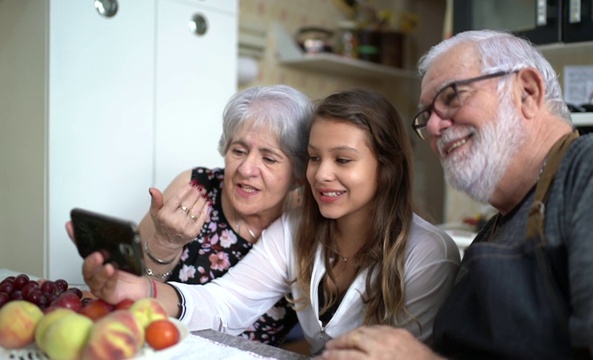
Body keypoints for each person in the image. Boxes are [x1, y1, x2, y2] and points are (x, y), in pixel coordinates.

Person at [319, 29, 593, 360]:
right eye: (427, 115)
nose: (432, 127)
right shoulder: (494, 230)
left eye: (451, 97)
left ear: (527, 93)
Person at [76, 88, 460, 355]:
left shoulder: (428, 254)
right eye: (314, 157)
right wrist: (139, 289)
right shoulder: (296, 228)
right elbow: (225, 303)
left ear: (387, 168)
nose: (321, 174)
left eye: (342, 160)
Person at [69, 85, 314, 346]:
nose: (246, 168)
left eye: (269, 158)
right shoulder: (194, 190)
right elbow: (132, 293)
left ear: (299, 173)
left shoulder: (306, 222)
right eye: (239, 151)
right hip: (165, 345)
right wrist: (165, 244)